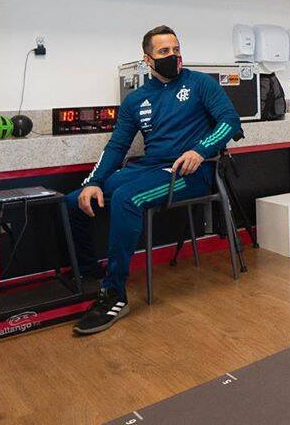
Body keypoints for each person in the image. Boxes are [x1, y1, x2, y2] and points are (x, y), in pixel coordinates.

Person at [68, 25, 242, 335]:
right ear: (148, 60)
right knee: (74, 200)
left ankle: (114, 294)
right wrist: (91, 183)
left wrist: (200, 151)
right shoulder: (136, 100)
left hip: (190, 173)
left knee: (127, 198)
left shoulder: (201, 84)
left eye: (176, 50)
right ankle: (90, 274)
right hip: (148, 168)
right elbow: (117, 147)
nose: (172, 56)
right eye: (164, 52)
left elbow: (230, 122)